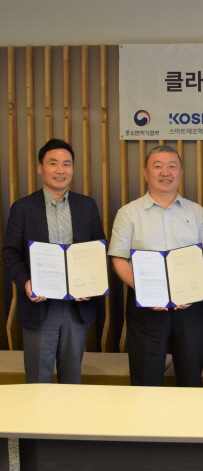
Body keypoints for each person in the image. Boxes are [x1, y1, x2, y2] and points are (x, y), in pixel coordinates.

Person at [108, 145, 203, 387]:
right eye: (157, 166)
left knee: (191, 378)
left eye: (172, 166)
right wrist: (146, 291)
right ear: (146, 173)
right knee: (146, 380)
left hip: (190, 307)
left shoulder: (197, 212)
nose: (165, 172)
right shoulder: (128, 213)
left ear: (181, 172)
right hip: (146, 307)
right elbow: (118, 258)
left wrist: (192, 288)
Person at [2, 138, 105, 384]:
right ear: (40, 168)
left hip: (76, 307)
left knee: (72, 378)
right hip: (40, 305)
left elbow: (97, 250)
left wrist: (90, 284)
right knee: (39, 380)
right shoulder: (23, 207)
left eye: (66, 164)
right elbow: (10, 252)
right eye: (53, 163)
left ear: (73, 168)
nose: (61, 170)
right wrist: (26, 282)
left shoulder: (87, 206)